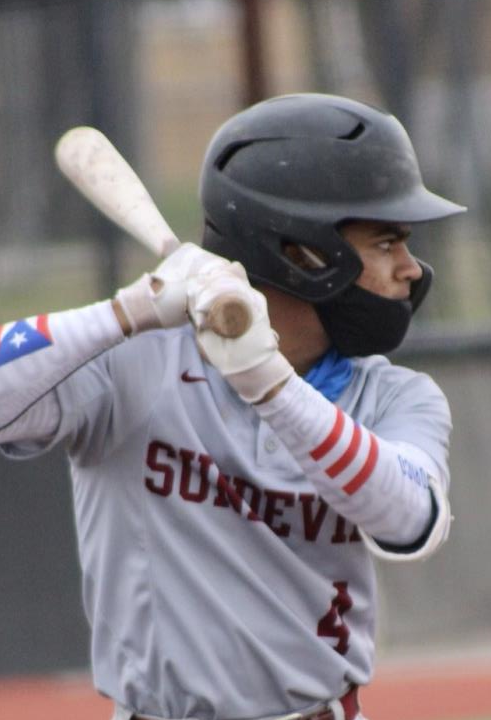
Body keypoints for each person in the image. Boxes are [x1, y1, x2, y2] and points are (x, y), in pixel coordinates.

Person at [0, 94, 466, 720]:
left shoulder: (398, 396)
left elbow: (409, 519)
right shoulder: (131, 362)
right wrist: (127, 311)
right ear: (301, 252)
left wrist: (269, 383)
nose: (410, 269)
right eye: (387, 242)